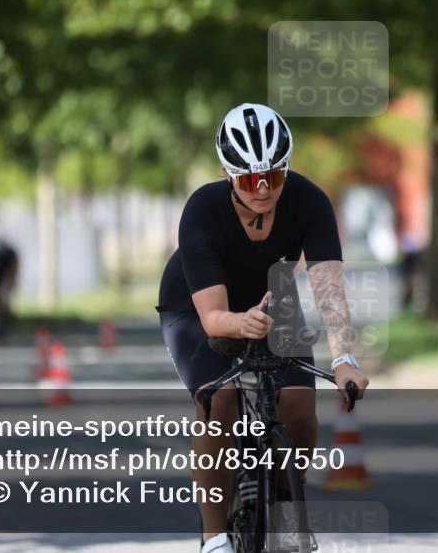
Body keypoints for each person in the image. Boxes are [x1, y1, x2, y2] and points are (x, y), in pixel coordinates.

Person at [157, 103, 370, 553]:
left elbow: (329, 289)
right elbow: (215, 318)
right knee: (222, 399)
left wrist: (345, 359)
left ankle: (289, 505)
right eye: (249, 180)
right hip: (197, 305)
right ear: (227, 173)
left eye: (272, 178)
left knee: (297, 405)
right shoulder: (203, 209)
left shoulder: (309, 202)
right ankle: (214, 537)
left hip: (272, 298)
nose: (262, 190)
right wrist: (239, 322)